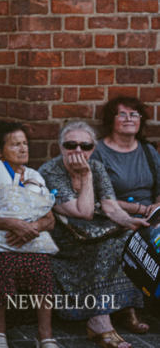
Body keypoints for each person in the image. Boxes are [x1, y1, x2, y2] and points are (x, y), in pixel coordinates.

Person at [39, 121, 148, 348]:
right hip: (65, 238)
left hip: (96, 231)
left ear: (92, 148)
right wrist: (86, 176)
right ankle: (100, 322)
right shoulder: (51, 171)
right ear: (61, 147)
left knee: (131, 238)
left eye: (85, 146)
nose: (78, 151)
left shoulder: (96, 166)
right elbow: (84, 212)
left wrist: (130, 221)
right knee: (106, 247)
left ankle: (125, 308)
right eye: (71, 145)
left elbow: (109, 206)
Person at [0, 121, 59, 348]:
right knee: (3, 261)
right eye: (15, 145)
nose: (23, 149)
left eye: (25, 144)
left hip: (28, 238)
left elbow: (50, 219)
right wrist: (11, 223)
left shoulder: (34, 176)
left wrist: (31, 228)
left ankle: (45, 334)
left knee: (42, 264)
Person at [90, 95, 160, 335]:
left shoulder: (149, 151)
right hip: (115, 216)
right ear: (111, 120)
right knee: (130, 242)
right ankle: (127, 308)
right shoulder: (98, 152)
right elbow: (100, 197)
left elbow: (159, 189)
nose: (129, 119)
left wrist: (156, 207)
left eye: (134, 114)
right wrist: (140, 210)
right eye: (122, 114)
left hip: (152, 216)